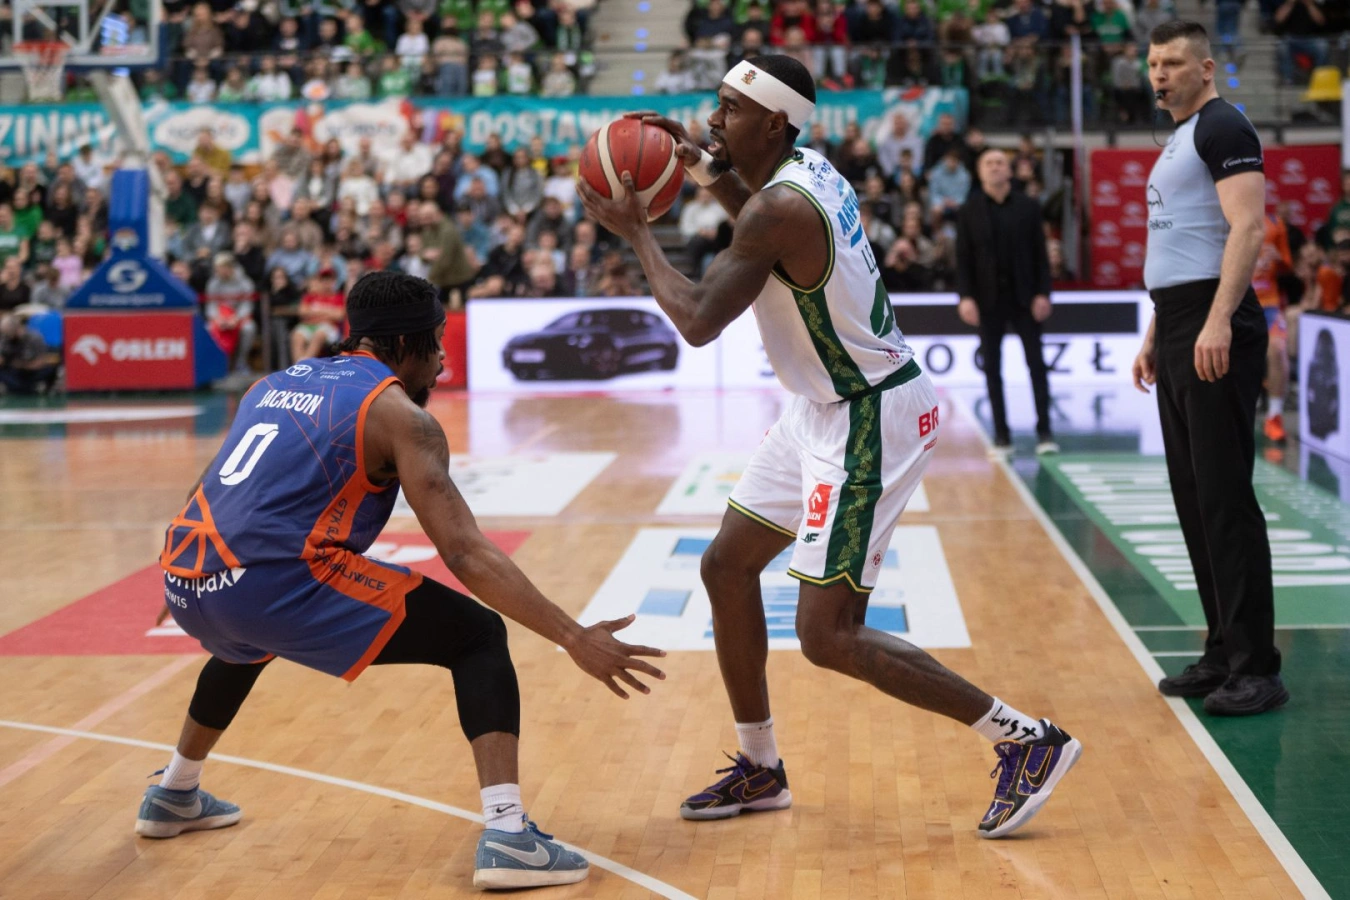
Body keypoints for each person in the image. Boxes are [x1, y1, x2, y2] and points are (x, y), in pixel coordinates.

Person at [578, 55, 1081, 839]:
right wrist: (704, 166)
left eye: (731, 108)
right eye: (717, 103)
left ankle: (1026, 740)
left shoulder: (781, 206)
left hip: (869, 416)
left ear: (773, 123)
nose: (714, 117)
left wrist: (639, 232)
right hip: (820, 407)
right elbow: (754, 214)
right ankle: (761, 766)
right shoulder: (804, 171)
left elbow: (700, 320)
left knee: (827, 634)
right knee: (725, 566)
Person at [141, 271, 665, 889]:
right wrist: (573, 636)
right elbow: (464, 553)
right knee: (476, 636)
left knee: (247, 641)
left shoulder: (272, 383)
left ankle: (175, 791)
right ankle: (508, 835)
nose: (441, 361)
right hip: (268, 584)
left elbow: (209, 487)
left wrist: (190, 574)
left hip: (187, 576)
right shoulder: (400, 417)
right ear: (403, 343)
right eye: (435, 342)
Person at [1133, 21, 1287, 715]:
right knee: (1195, 497)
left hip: (1212, 320)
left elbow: (1246, 228)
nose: (1159, 75)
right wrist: (1156, 330)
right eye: (1152, 64)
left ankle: (1258, 666)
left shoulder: (1225, 126)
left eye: (1172, 63)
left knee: (1225, 499)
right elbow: (1182, 244)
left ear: (1206, 68)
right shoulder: (1180, 138)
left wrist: (1218, 319)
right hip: (1178, 320)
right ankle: (1223, 649)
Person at [956, 149, 1057, 456]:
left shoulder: (1028, 207)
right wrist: (965, 297)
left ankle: (1044, 433)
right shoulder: (969, 210)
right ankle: (1002, 436)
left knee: (1036, 365)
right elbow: (963, 259)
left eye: (1000, 163)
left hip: (1025, 298)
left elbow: (1041, 255)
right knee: (992, 369)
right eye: (988, 163)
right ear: (979, 172)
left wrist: (1043, 293)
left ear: (1009, 171)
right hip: (988, 301)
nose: (995, 167)